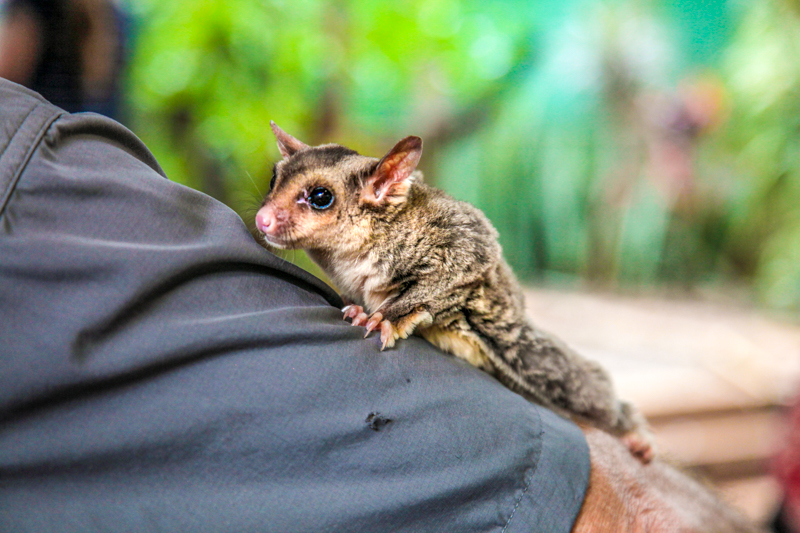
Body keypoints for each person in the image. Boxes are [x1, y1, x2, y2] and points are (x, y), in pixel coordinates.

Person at [0, 78, 760, 532]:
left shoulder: (411, 237)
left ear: (383, 189)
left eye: (313, 201)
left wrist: (395, 315)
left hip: (475, 325)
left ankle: (627, 422)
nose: (272, 217)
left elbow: (455, 273)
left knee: (552, 378)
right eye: (280, 192)